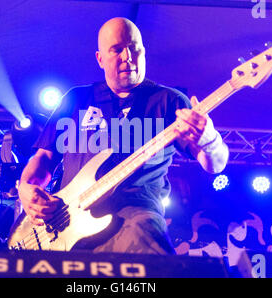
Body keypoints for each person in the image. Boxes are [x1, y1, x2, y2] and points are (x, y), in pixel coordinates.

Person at [17, 17, 229, 255]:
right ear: (100, 59)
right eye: (117, 49)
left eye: (134, 48)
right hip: (66, 222)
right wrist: (25, 188)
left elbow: (215, 164)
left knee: (154, 261)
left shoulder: (169, 101)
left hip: (136, 218)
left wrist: (209, 138)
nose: (128, 56)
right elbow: (43, 158)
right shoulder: (77, 99)